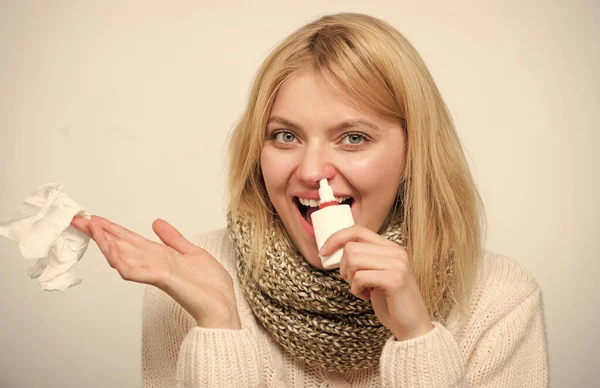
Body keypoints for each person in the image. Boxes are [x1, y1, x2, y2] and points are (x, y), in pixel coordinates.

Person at [71, 12, 549, 387]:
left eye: (354, 138)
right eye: (285, 136)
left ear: (414, 152)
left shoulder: (498, 299)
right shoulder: (187, 282)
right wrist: (218, 321)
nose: (312, 171)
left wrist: (417, 337)